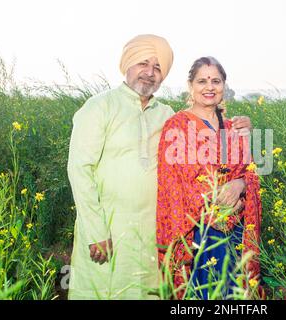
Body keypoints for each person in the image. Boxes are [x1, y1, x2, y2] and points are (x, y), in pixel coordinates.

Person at [67, 35, 252, 300]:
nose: (150, 73)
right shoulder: (99, 107)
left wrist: (241, 127)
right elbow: (79, 170)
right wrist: (96, 231)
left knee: (148, 291)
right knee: (102, 290)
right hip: (108, 226)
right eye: (143, 63)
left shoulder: (166, 114)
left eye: (157, 68)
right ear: (127, 64)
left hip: (154, 231)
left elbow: (204, 128)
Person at [156, 56, 262, 300]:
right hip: (199, 230)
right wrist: (218, 205)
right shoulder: (177, 126)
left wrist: (240, 184)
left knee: (235, 293)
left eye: (216, 80)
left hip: (237, 227)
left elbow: (251, 170)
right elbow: (174, 183)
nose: (209, 87)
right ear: (191, 86)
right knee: (206, 292)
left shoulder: (234, 126)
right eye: (202, 81)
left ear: (224, 85)